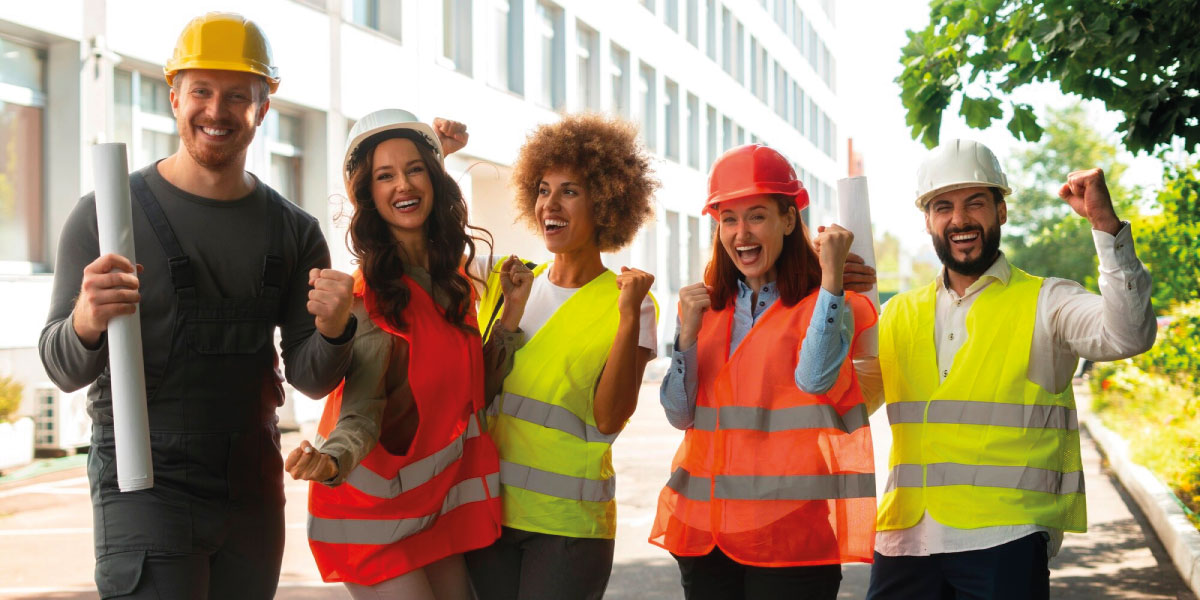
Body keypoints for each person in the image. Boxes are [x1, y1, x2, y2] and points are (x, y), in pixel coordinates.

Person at [37, 13, 356, 599]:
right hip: (144, 477)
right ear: (174, 95)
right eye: (201, 92)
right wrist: (85, 318)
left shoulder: (294, 231)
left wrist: (336, 331)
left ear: (264, 106)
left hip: (252, 484)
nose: (217, 111)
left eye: (238, 96)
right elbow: (62, 368)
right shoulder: (107, 215)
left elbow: (311, 380)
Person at [864, 139, 1157, 599]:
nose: (959, 219)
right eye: (943, 207)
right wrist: (831, 298)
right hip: (904, 539)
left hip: (1004, 540)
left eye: (975, 203)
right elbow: (845, 402)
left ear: (1001, 211)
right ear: (928, 221)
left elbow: (1129, 334)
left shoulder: (1048, 300)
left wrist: (1105, 226)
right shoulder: (898, 313)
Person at [282, 109, 529, 599]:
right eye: (384, 176)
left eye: (415, 169)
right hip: (369, 521)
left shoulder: (452, 281)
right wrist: (329, 461)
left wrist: (511, 318)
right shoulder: (370, 297)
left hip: (430, 512)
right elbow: (362, 411)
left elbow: (472, 392)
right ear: (369, 196)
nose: (402, 185)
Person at [650, 144, 878, 600]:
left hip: (788, 534)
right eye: (728, 219)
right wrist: (687, 340)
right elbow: (679, 414)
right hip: (706, 534)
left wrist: (831, 283)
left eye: (756, 216)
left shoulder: (827, 302)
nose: (740, 233)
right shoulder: (702, 306)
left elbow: (814, 380)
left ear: (789, 220)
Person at [464, 113, 659, 600]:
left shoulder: (629, 301)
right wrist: (437, 156)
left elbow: (611, 417)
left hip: (569, 527)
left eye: (570, 190)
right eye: (544, 189)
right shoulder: (504, 280)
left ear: (606, 203)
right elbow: (423, 242)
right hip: (488, 510)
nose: (550, 203)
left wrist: (629, 317)